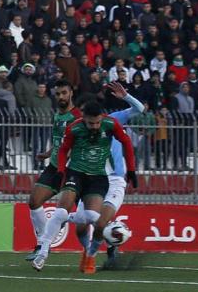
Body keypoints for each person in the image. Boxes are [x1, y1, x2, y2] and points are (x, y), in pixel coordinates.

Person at [31, 101, 137, 273]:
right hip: (76, 174)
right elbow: (63, 149)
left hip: (98, 178)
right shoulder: (74, 128)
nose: (95, 126)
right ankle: (42, 252)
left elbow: (126, 142)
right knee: (61, 210)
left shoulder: (111, 124)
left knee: (92, 218)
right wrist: (60, 171)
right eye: (90, 123)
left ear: (101, 118)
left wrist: (131, 169)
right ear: (84, 118)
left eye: (97, 123)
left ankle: (91, 251)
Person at [67, 83, 145, 270]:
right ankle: (89, 250)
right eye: (81, 112)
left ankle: (94, 256)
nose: (84, 115)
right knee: (81, 226)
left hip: (114, 180)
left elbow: (139, 109)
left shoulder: (113, 120)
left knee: (101, 222)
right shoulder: (78, 129)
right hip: (90, 180)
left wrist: (126, 97)